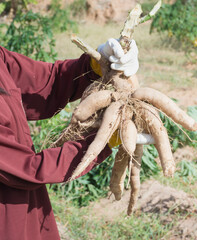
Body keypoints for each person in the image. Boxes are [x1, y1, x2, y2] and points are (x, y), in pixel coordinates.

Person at [0, 38, 139, 239]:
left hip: (28, 202)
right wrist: (100, 141)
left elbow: (47, 82)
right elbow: (28, 169)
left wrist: (95, 65)